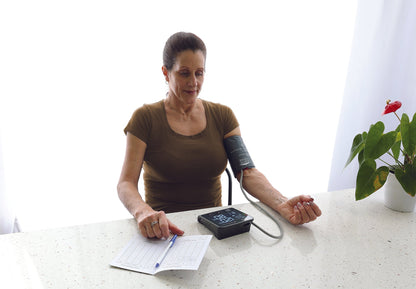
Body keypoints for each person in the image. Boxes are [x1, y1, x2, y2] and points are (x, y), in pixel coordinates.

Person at [117, 32, 322, 239]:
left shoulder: (223, 116)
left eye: (199, 73)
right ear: (165, 72)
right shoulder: (144, 118)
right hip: (164, 230)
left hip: (214, 229)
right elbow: (125, 183)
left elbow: (247, 173)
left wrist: (282, 203)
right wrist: (143, 212)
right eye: (184, 73)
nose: (193, 82)